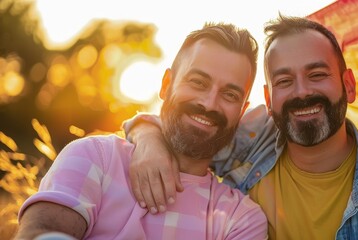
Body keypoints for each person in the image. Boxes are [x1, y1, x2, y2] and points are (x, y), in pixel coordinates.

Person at [123, 15, 358, 239]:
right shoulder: (250, 136)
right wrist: (147, 136)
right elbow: (185, 127)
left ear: (349, 85)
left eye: (317, 75)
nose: (302, 93)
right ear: (268, 100)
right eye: (285, 80)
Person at [14, 23, 267, 240]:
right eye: (198, 82)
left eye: (230, 94)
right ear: (166, 85)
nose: (209, 103)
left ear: (242, 110)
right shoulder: (95, 158)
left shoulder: (241, 217)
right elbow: (42, 232)